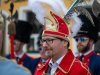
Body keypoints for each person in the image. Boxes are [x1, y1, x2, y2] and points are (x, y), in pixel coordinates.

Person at [72, 10, 100, 75]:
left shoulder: (98, 61)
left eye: (82, 39)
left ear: (91, 41)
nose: (78, 42)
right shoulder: (74, 60)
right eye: (77, 39)